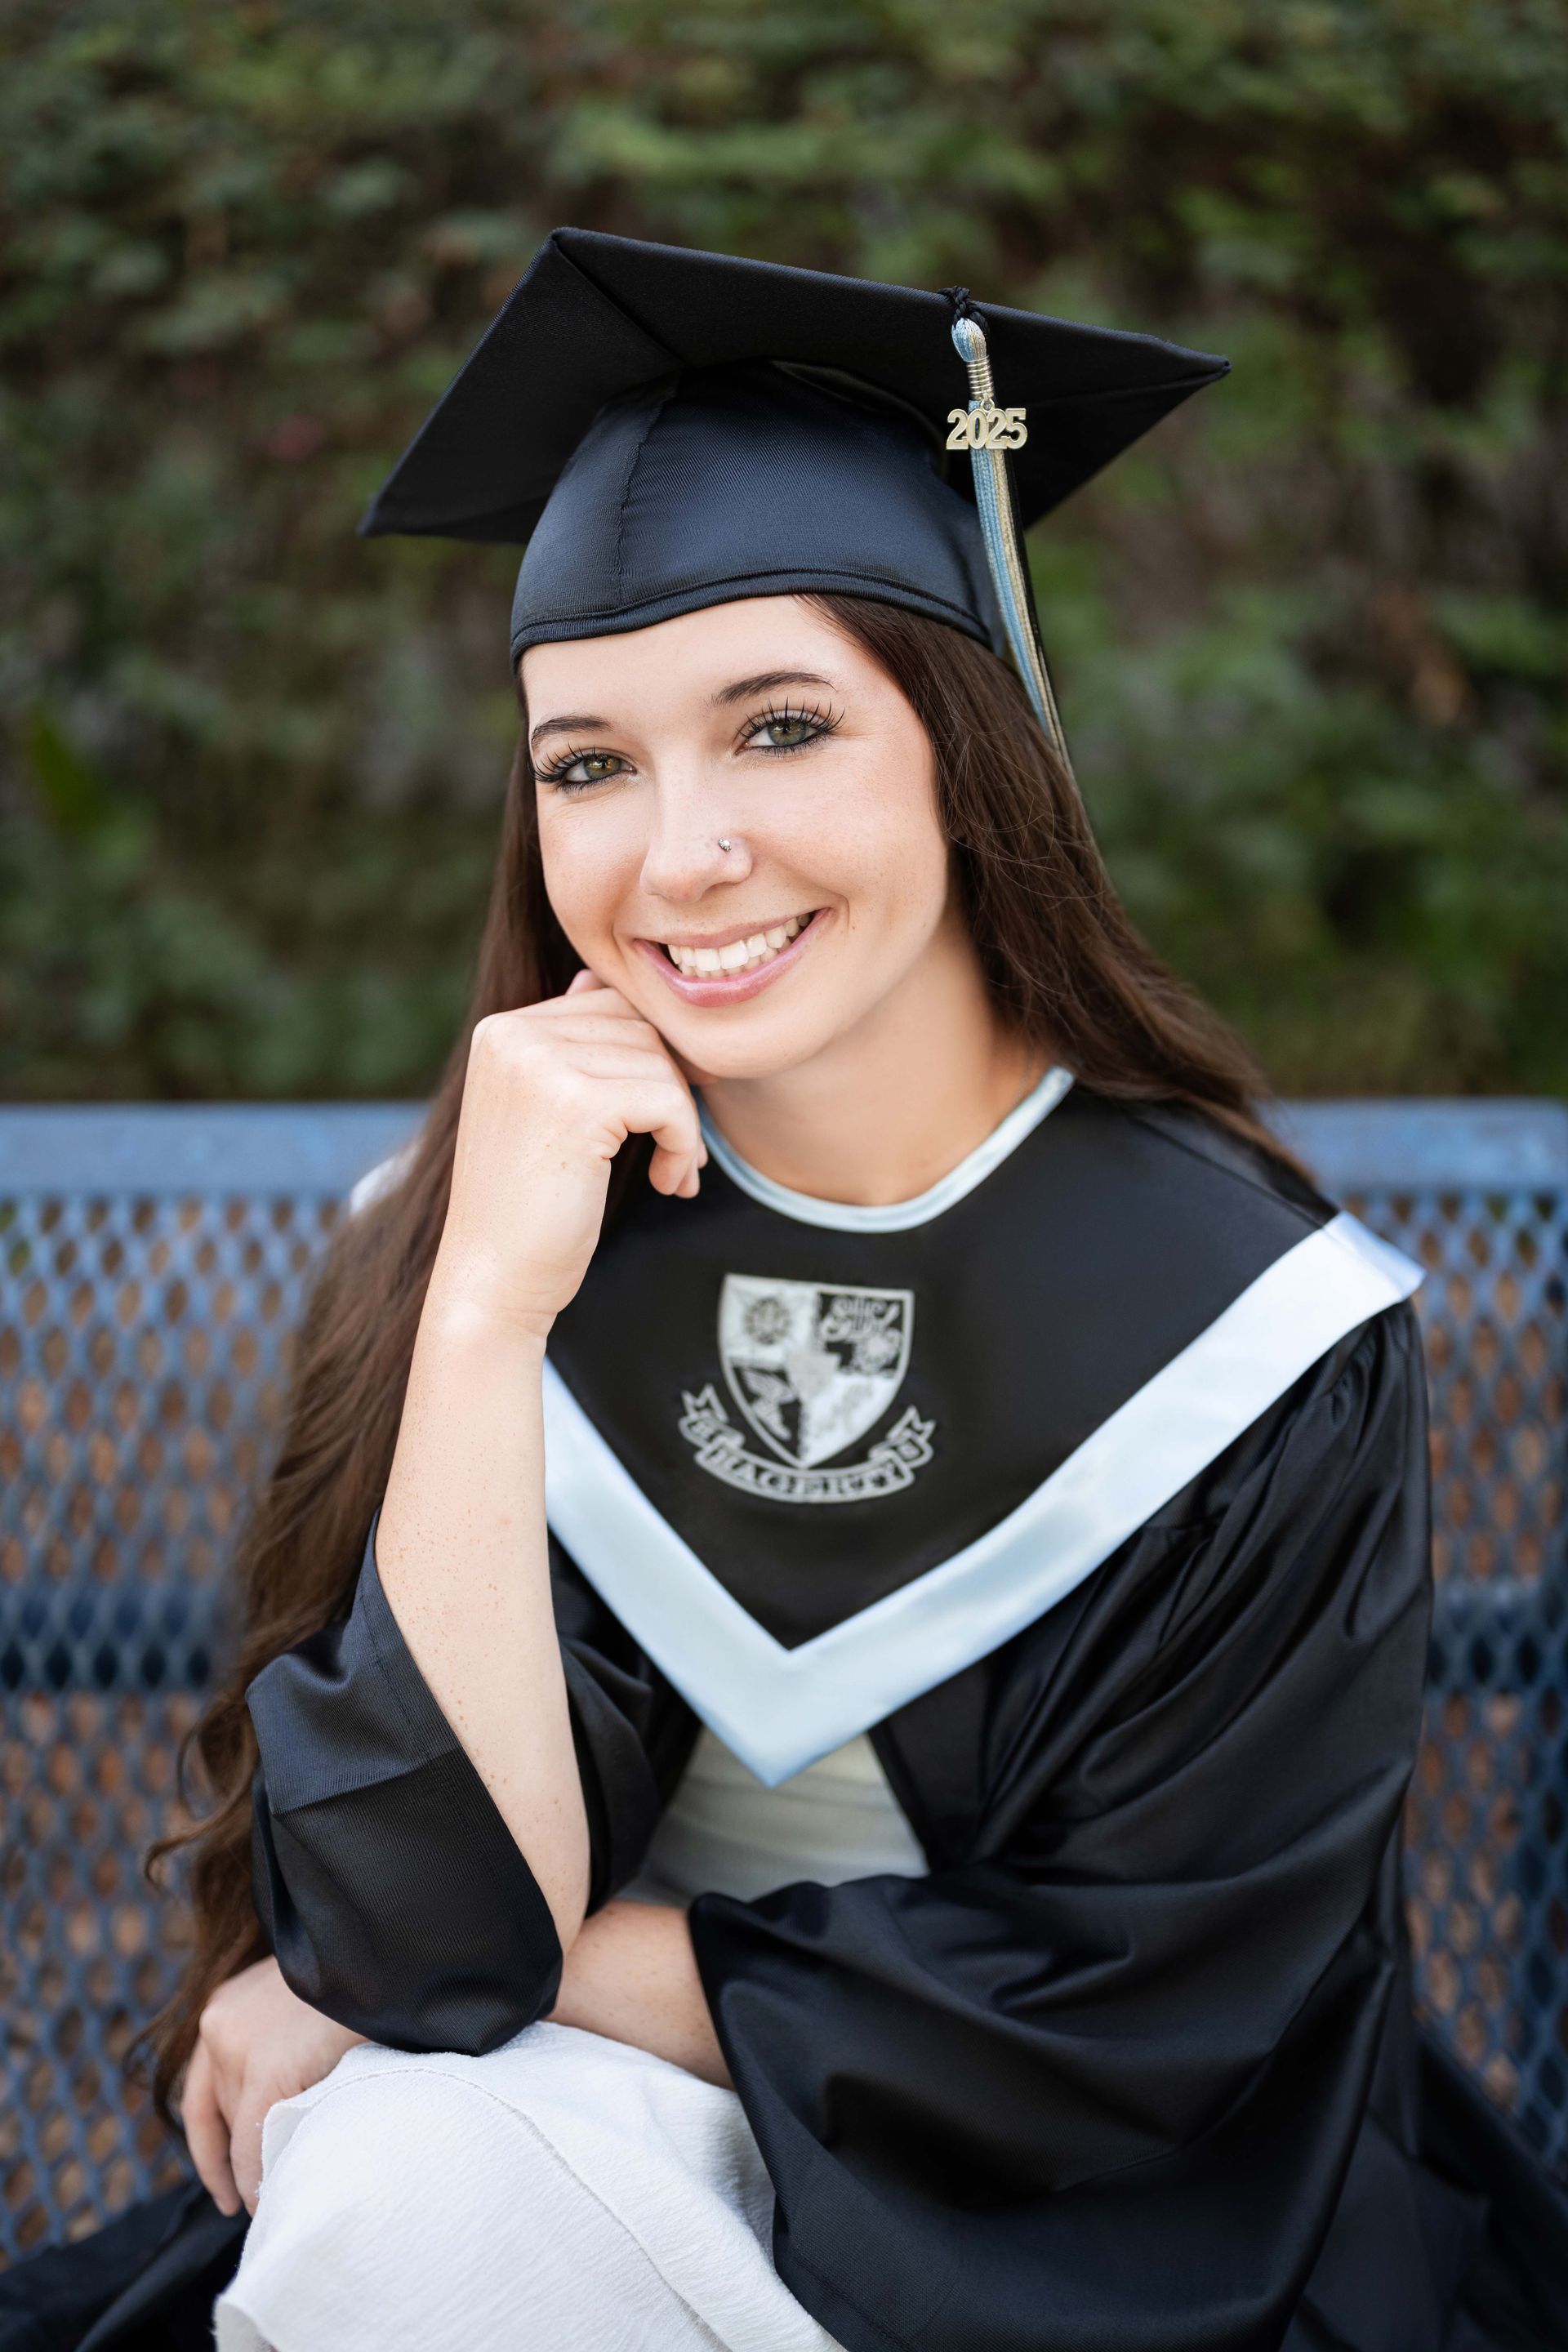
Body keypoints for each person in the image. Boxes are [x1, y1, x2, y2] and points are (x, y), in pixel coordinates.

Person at [5, 229, 1565, 2352]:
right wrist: (478, 1318)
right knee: (409, 2178)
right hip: (578, 2184)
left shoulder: (1258, 1333)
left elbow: (1142, 2029)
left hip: (1115, 2252)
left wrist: (493, 1972)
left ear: (962, 738)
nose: (680, 855)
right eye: (588, 764)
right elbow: (428, 1936)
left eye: (777, 726)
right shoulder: (478, 1230)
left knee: (415, 2162)